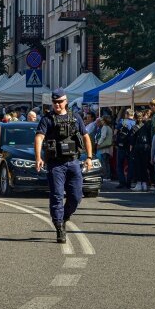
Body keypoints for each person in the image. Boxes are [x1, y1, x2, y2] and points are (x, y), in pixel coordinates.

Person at [34, 89, 93, 243]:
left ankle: (65, 216)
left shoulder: (75, 118)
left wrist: (89, 157)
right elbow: (39, 137)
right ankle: (59, 226)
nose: (57, 105)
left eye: (60, 102)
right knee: (57, 196)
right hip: (55, 164)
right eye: (55, 102)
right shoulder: (47, 119)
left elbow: (86, 137)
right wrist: (38, 157)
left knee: (76, 196)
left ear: (66, 101)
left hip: (73, 162)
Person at [131, 110, 153, 192]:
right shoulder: (147, 125)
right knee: (145, 166)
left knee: (138, 166)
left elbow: (132, 140)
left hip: (138, 147)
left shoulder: (135, 127)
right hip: (147, 147)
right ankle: (144, 184)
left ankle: (139, 184)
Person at [114, 109, 135, 189]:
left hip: (121, 146)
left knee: (120, 165)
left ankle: (122, 182)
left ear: (126, 114)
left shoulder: (122, 121)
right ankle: (129, 183)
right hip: (130, 147)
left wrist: (116, 142)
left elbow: (115, 132)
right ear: (132, 115)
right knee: (130, 165)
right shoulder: (135, 123)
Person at [96, 115, 113, 180]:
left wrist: (98, 143)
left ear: (104, 121)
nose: (101, 121)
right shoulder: (110, 128)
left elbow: (103, 136)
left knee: (104, 162)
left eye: (102, 120)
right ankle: (108, 176)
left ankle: (106, 176)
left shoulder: (104, 127)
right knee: (107, 163)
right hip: (108, 148)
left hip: (104, 148)